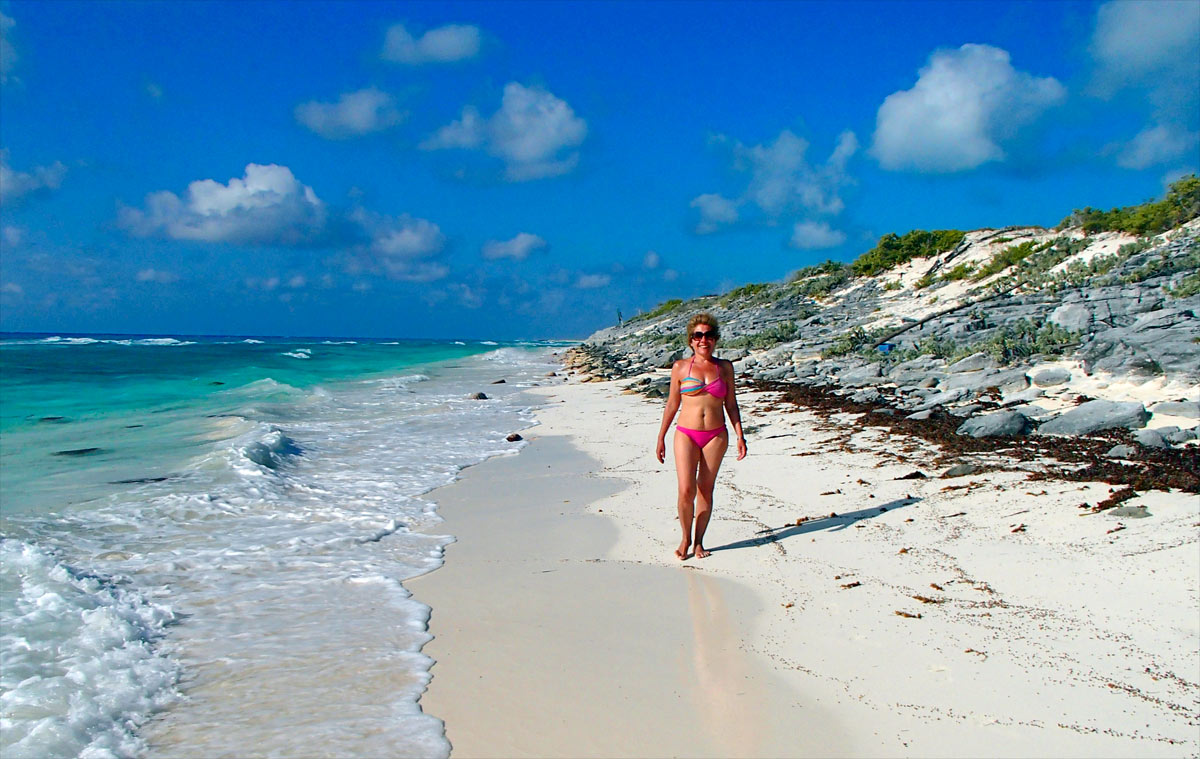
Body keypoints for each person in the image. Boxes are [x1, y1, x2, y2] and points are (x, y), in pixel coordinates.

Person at [656, 313, 747, 560]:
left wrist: (740, 435)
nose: (703, 340)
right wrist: (661, 436)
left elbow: (731, 404)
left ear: (715, 339)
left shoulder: (725, 367)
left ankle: (698, 542)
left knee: (705, 489)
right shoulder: (680, 368)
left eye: (708, 335)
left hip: (716, 435)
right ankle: (685, 537)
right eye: (698, 336)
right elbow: (672, 404)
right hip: (686, 433)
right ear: (691, 341)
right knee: (686, 489)